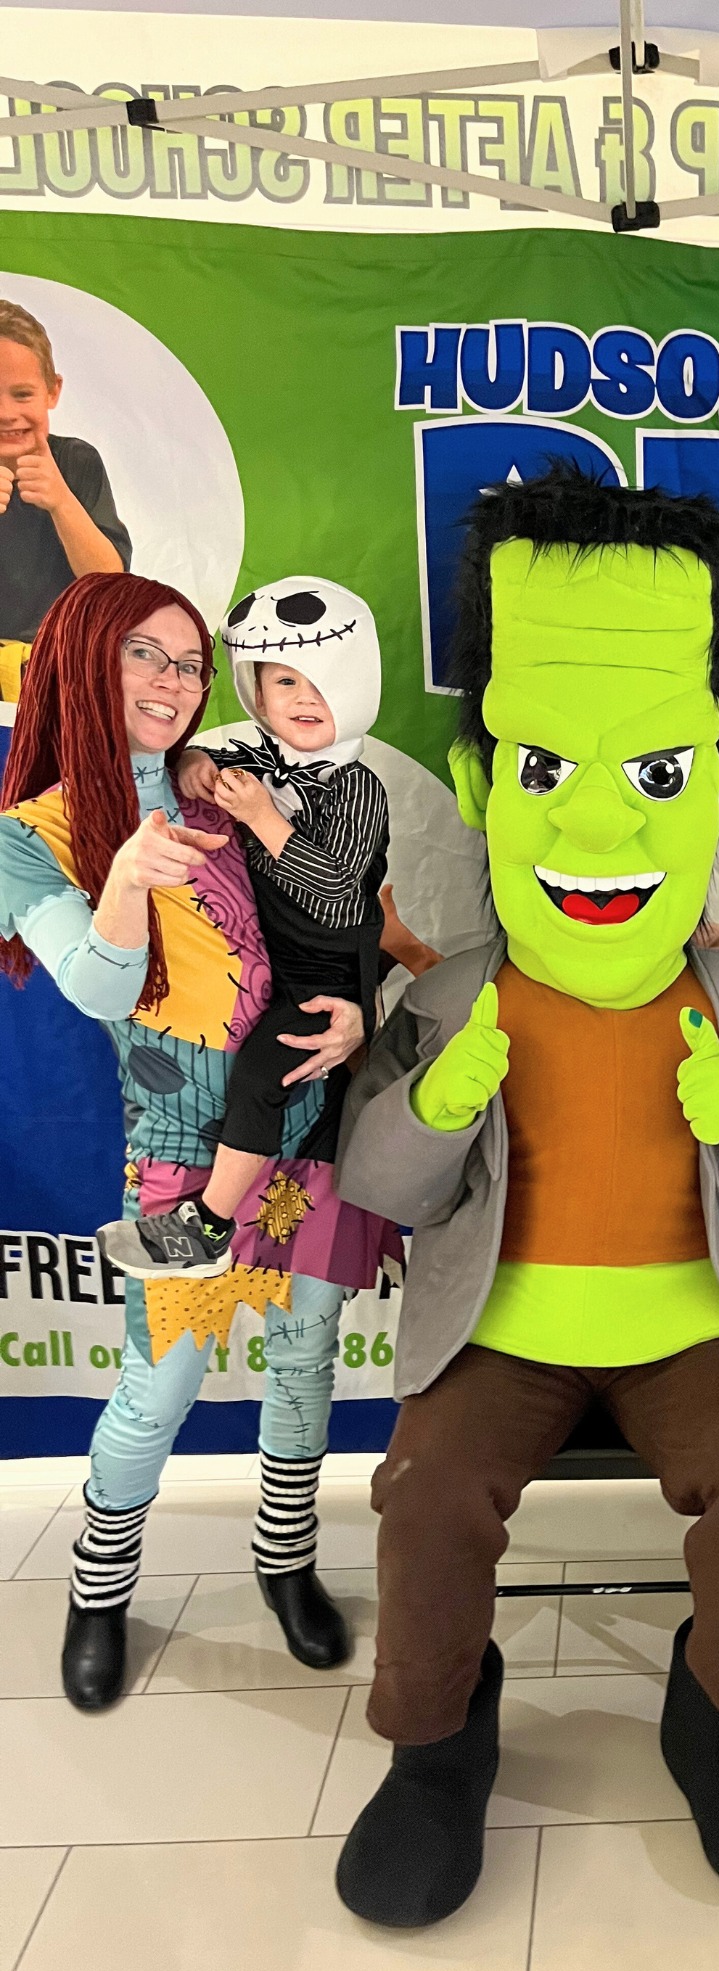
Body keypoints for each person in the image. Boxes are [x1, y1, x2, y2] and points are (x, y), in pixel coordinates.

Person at [331, 468, 719, 1929]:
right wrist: (437, 1104)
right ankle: (437, 1745)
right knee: (427, 1495)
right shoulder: (451, 997)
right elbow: (378, 1184)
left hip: (693, 1329)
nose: (604, 829)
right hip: (502, 1329)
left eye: (660, 779)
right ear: (486, 788)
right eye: (549, 770)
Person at [0, 572, 400, 1710]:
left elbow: (338, 922)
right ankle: (98, 1590)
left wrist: (359, 1013)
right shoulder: (30, 836)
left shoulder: (221, 786)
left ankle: (286, 1562)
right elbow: (98, 986)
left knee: (305, 1356)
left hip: (310, 1118)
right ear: (81, 659)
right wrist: (128, 872)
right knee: (160, 1384)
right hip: (182, 1145)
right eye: (145, 654)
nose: (174, 682)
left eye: (188, 662)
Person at [98, 578, 390, 1280]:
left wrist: (262, 816)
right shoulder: (252, 759)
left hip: (325, 975)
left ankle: (208, 1226)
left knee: (262, 1077)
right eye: (284, 680)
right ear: (255, 691)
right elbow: (187, 764)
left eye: (322, 681)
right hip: (264, 961)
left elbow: (338, 891)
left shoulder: (357, 788)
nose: (304, 698)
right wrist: (195, 763)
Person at [0, 301, 130, 700]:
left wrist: (61, 501)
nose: (6, 413)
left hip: (59, 664)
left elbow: (110, 583)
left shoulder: (76, 462)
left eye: (23, 394)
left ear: (52, 391)